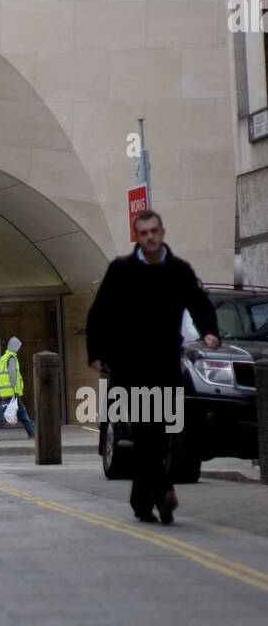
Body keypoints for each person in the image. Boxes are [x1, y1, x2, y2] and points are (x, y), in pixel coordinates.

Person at [86, 208, 220, 525]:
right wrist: (97, 352)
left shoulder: (179, 271)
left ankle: (141, 501)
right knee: (147, 432)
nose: (150, 237)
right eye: (143, 232)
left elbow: (199, 303)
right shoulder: (121, 271)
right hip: (130, 367)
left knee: (158, 438)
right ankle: (163, 493)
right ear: (137, 236)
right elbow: (99, 313)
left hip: (164, 366)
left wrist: (210, 331)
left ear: (162, 232)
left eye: (154, 231)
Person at [0, 337, 35, 439]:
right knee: (1, 413)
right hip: (11, 392)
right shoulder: (11, 358)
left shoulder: (4, 357)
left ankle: (32, 432)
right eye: (18, 346)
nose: (19, 349)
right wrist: (15, 390)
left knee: (22, 413)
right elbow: (13, 375)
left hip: (7, 391)